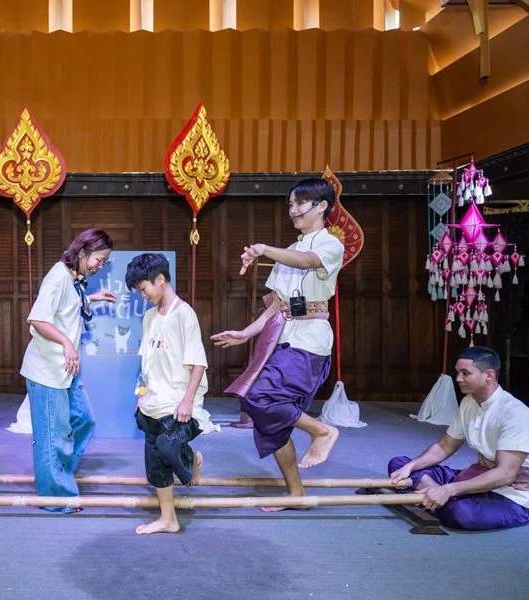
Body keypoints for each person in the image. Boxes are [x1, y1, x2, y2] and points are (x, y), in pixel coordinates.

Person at [211, 178, 343, 510]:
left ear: (322, 206)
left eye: (300, 203)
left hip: (309, 341)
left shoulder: (329, 244)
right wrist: (245, 333)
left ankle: (322, 431)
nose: (293, 210)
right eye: (291, 204)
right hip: (282, 338)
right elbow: (276, 306)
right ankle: (296, 493)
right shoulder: (289, 251)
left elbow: (308, 261)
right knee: (269, 416)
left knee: (261, 397)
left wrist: (263, 250)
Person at [20, 228, 116, 512]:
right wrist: (66, 343)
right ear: (83, 252)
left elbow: (68, 305)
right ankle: (57, 497)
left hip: (65, 370)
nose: (100, 266)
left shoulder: (74, 278)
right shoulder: (58, 276)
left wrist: (94, 298)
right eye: (99, 259)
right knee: (54, 434)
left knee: (84, 419)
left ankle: (57, 472)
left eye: (105, 262)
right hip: (47, 369)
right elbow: (38, 319)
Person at [389, 346, 529, 530]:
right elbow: (445, 446)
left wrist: (448, 489)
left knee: (462, 514)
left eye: (465, 373)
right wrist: (411, 467)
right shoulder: (468, 402)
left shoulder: (514, 413)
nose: (458, 379)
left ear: (489, 375)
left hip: (512, 494)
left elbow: (505, 475)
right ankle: (435, 496)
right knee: (399, 465)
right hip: (480, 476)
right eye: (457, 372)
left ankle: (438, 497)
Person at [126, 253, 212, 534]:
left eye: (144, 289)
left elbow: (198, 363)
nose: (143, 295)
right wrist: (140, 395)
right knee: (155, 465)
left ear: (160, 279)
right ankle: (168, 519)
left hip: (178, 404)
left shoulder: (185, 314)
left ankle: (190, 459)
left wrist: (187, 401)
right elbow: (146, 363)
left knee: (167, 446)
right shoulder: (150, 317)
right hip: (152, 402)